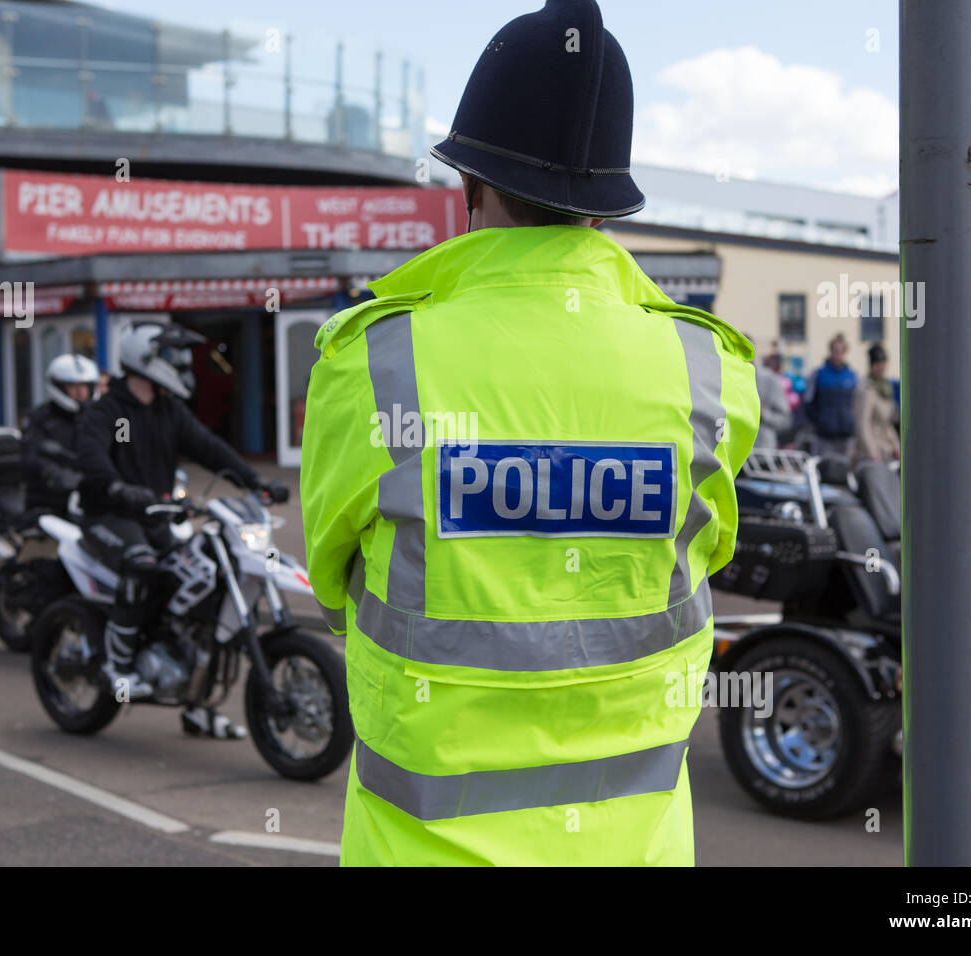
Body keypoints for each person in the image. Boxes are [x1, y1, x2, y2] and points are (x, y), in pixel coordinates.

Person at [301, 0, 758, 867]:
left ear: (468, 186)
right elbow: (704, 556)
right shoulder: (707, 373)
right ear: (608, 207)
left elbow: (333, 585)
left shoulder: (377, 362)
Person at [75, 322, 288, 699]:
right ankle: (118, 666)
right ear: (143, 360)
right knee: (142, 566)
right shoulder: (108, 410)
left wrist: (255, 481)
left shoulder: (168, 409)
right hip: (110, 515)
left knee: (202, 576)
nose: (180, 365)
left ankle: (196, 703)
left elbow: (209, 447)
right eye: (171, 358)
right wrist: (116, 487)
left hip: (157, 517)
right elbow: (92, 456)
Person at [22, 353, 100, 514]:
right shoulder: (39, 417)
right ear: (58, 387)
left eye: (85, 386)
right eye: (73, 387)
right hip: (48, 502)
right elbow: (32, 457)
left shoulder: (99, 417)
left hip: (90, 496)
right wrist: (62, 478)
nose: (81, 393)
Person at [804, 333, 859, 458]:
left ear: (844, 352)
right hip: (824, 436)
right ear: (830, 351)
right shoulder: (818, 374)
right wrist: (819, 421)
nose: (837, 353)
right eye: (835, 350)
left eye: (840, 351)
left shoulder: (852, 376)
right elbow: (807, 402)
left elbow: (857, 404)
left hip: (846, 435)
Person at [852, 342, 899, 464]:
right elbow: (863, 424)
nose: (881, 367)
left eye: (883, 364)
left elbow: (887, 424)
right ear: (871, 366)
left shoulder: (886, 388)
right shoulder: (866, 390)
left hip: (887, 450)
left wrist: (897, 447)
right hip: (872, 454)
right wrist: (873, 453)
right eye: (877, 364)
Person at [751, 339, 792, 449]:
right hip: (730, 453)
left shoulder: (770, 380)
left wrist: (763, 413)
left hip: (761, 453)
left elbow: (786, 420)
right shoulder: (724, 377)